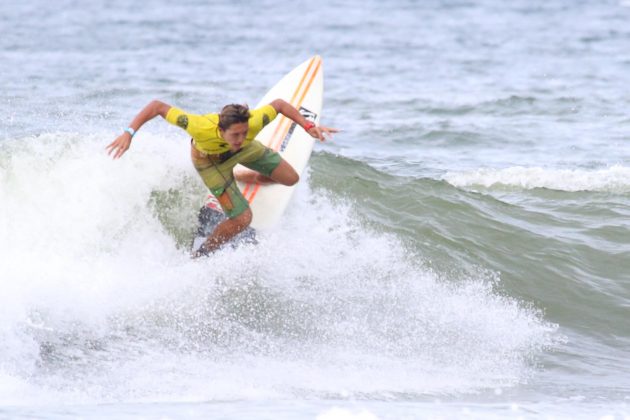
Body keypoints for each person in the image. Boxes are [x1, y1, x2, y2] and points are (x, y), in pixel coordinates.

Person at [106, 98, 338, 257]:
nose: (240, 137)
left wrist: (308, 126)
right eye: (235, 134)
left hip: (247, 152)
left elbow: (278, 105)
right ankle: (203, 253)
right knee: (242, 219)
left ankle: (247, 176)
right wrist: (129, 133)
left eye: (244, 132)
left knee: (290, 178)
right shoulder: (199, 126)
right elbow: (156, 106)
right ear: (220, 130)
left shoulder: (251, 126)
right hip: (210, 164)